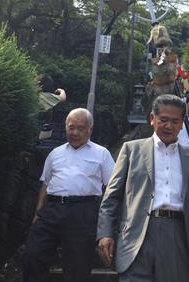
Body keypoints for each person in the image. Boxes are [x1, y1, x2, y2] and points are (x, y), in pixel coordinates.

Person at [97, 94, 189, 282]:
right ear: (152, 119)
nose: (169, 126)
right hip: (135, 235)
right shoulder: (131, 150)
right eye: (163, 120)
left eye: (175, 121)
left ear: (182, 123)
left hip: (177, 233)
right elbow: (111, 197)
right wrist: (105, 233)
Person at [23, 108, 115, 282]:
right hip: (52, 210)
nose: (75, 132)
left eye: (80, 128)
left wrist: (106, 222)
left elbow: (112, 186)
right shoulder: (55, 153)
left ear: (90, 129)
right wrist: (37, 214)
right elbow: (46, 183)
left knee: (77, 266)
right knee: (33, 254)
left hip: (83, 211)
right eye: (71, 127)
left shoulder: (101, 154)